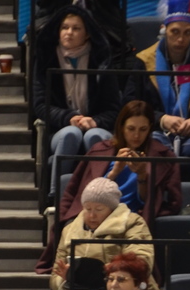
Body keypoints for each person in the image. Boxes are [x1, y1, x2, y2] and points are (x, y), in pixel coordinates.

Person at [38, 100, 180, 274]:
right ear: (121, 127)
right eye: (131, 129)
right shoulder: (100, 150)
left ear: (150, 128)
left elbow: (161, 202)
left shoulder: (163, 156)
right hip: (96, 211)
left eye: (142, 130)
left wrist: (143, 176)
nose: (136, 136)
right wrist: (115, 172)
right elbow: (80, 191)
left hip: (132, 217)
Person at [32, 5, 123, 201]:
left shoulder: (101, 60)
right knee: (71, 134)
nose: (69, 33)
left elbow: (113, 108)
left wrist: (95, 121)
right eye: (64, 28)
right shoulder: (47, 58)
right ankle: (56, 196)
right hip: (61, 129)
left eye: (76, 28)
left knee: (96, 135)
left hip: (96, 125)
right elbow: (40, 105)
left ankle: (101, 195)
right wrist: (69, 118)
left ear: (87, 34)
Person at [128, 2, 190, 183]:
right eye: (175, 32)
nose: (180, 39)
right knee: (154, 144)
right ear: (164, 30)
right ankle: (156, 199)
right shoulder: (144, 62)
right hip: (156, 130)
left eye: (187, 33)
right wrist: (161, 119)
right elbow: (131, 103)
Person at [51, 178, 161, 290]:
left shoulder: (132, 223)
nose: (92, 215)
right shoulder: (70, 230)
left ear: (112, 210)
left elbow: (141, 263)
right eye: (88, 209)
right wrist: (66, 278)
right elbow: (56, 276)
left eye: (99, 209)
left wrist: (94, 275)